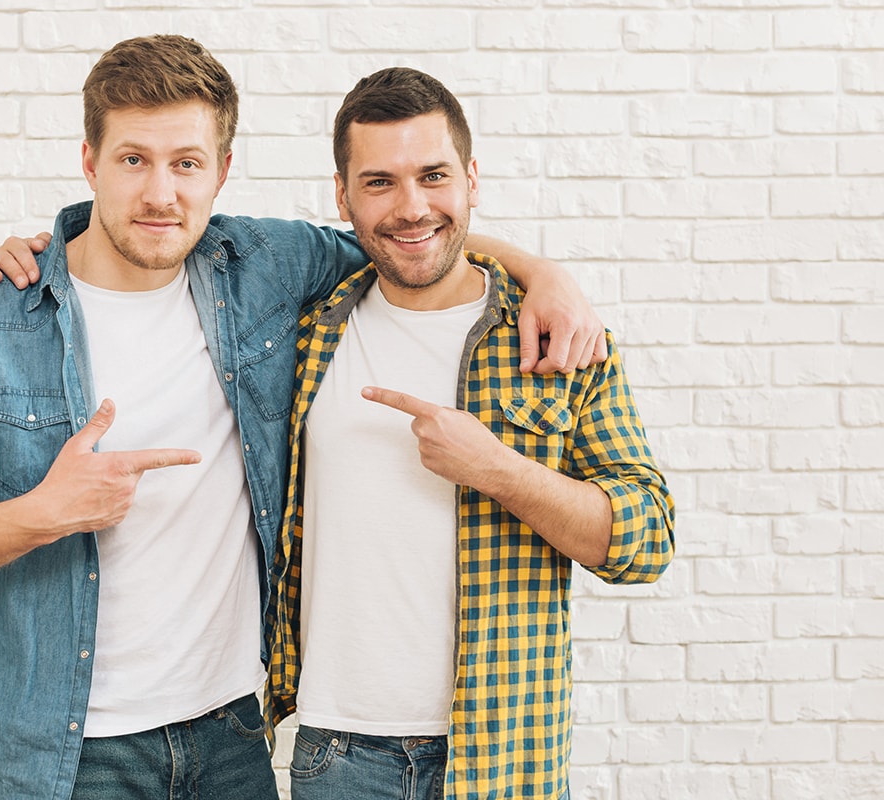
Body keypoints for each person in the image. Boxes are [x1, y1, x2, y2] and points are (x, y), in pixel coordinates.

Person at [0, 36, 602, 800]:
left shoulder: (260, 267)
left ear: (222, 170)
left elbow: (405, 232)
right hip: (72, 757)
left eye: (186, 163)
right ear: (89, 162)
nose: (160, 195)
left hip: (235, 740)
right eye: (133, 160)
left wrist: (545, 273)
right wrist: (41, 515)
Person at [260, 68, 676, 800]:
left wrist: (499, 470)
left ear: (472, 178)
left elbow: (644, 544)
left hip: (505, 752)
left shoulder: (559, 338)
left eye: (433, 176)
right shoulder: (302, 334)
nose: (412, 206)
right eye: (380, 182)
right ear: (342, 195)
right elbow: (167, 249)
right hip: (338, 755)